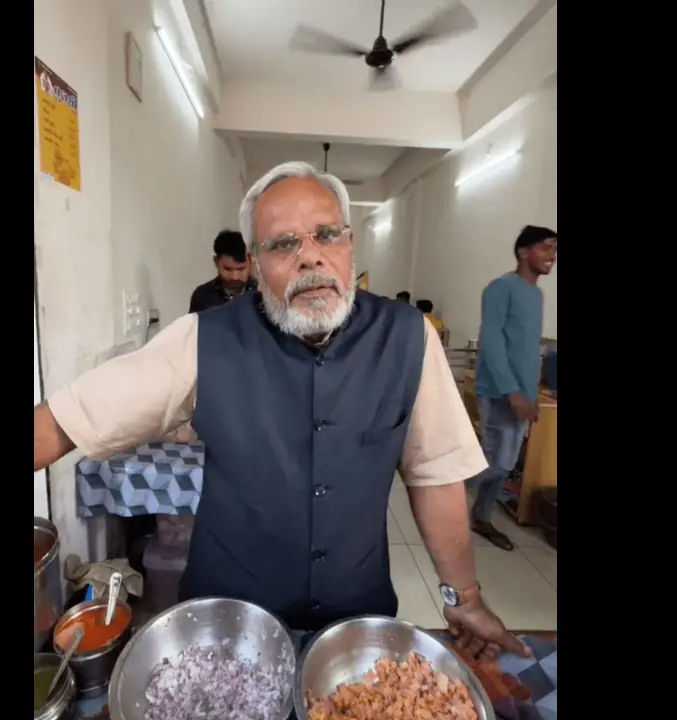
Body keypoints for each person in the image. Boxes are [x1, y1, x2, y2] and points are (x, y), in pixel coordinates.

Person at [34, 161, 531, 660]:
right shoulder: (202, 340)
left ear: (350, 244)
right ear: (254, 263)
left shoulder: (408, 337)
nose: (310, 256)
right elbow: (63, 422)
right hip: (226, 622)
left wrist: (464, 598)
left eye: (326, 235)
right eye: (283, 243)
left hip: (354, 620)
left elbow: (435, 474)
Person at [468, 225, 557, 551]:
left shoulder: (536, 295)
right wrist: (513, 393)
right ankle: (440, 490)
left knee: (504, 463)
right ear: (523, 251)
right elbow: (491, 343)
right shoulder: (500, 288)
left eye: (554, 249)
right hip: (498, 392)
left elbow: (525, 349)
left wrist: (531, 396)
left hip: (522, 395)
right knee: (499, 462)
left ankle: (480, 517)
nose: (552, 255)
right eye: (546, 247)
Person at [188, 229, 256, 313]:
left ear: (250, 260)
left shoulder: (262, 292)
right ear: (216, 261)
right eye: (228, 269)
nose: (235, 277)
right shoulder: (202, 296)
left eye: (241, 269)